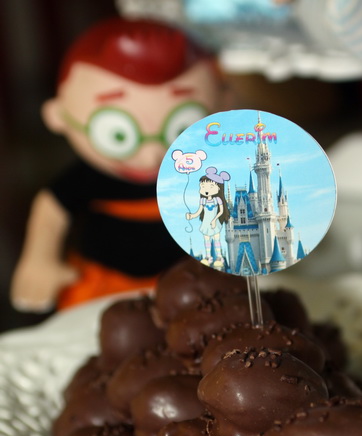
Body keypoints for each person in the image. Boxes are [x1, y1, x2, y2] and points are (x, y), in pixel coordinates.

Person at [10, 17, 222, 312]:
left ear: (226, 104)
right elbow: (51, 209)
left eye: (182, 128)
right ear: (58, 116)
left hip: (190, 281)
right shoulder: (87, 179)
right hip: (104, 286)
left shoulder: (206, 171)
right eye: (117, 135)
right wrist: (39, 260)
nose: (152, 156)